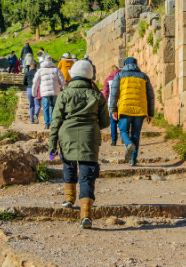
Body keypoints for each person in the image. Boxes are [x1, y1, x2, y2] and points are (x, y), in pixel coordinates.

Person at [48, 61, 110, 229]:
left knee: (68, 165)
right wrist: (92, 124)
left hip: (66, 136)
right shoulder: (97, 96)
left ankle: (69, 198)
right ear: (90, 76)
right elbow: (106, 122)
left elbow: (56, 122)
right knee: (87, 175)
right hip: (89, 137)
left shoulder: (64, 94)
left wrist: (52, 146)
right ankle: (86, 214)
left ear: (73, 75)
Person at [108, 57, 154, 166]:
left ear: (124, 65)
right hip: (140, 110)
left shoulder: (118, 76)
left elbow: (114, 94)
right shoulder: (144, 77)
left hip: (125, 108)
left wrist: (113, 109)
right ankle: (133, 160)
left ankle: (128, 144)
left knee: (123, 131)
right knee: (136, 135)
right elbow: (150, 96)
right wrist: (150, 113)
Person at [32, 56, 67, 129]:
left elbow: (35, 82)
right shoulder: (56, 69)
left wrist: (34, 92)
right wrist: (64, 89)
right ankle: (53, 121)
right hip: (55, 91)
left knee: (45, 107)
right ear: (51, 61)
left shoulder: (40, 70)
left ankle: (46, 124)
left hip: (45, 92)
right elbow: (62, 80)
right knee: (54, 107)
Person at [102, 64, 121, 146]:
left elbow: (105, 93)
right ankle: (124, 137)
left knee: (113, 121)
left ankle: (114, 140)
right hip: (121, 102)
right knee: (121, 120)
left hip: (111, 102)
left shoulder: (107, 80)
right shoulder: (122, 78)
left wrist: (105, 103)